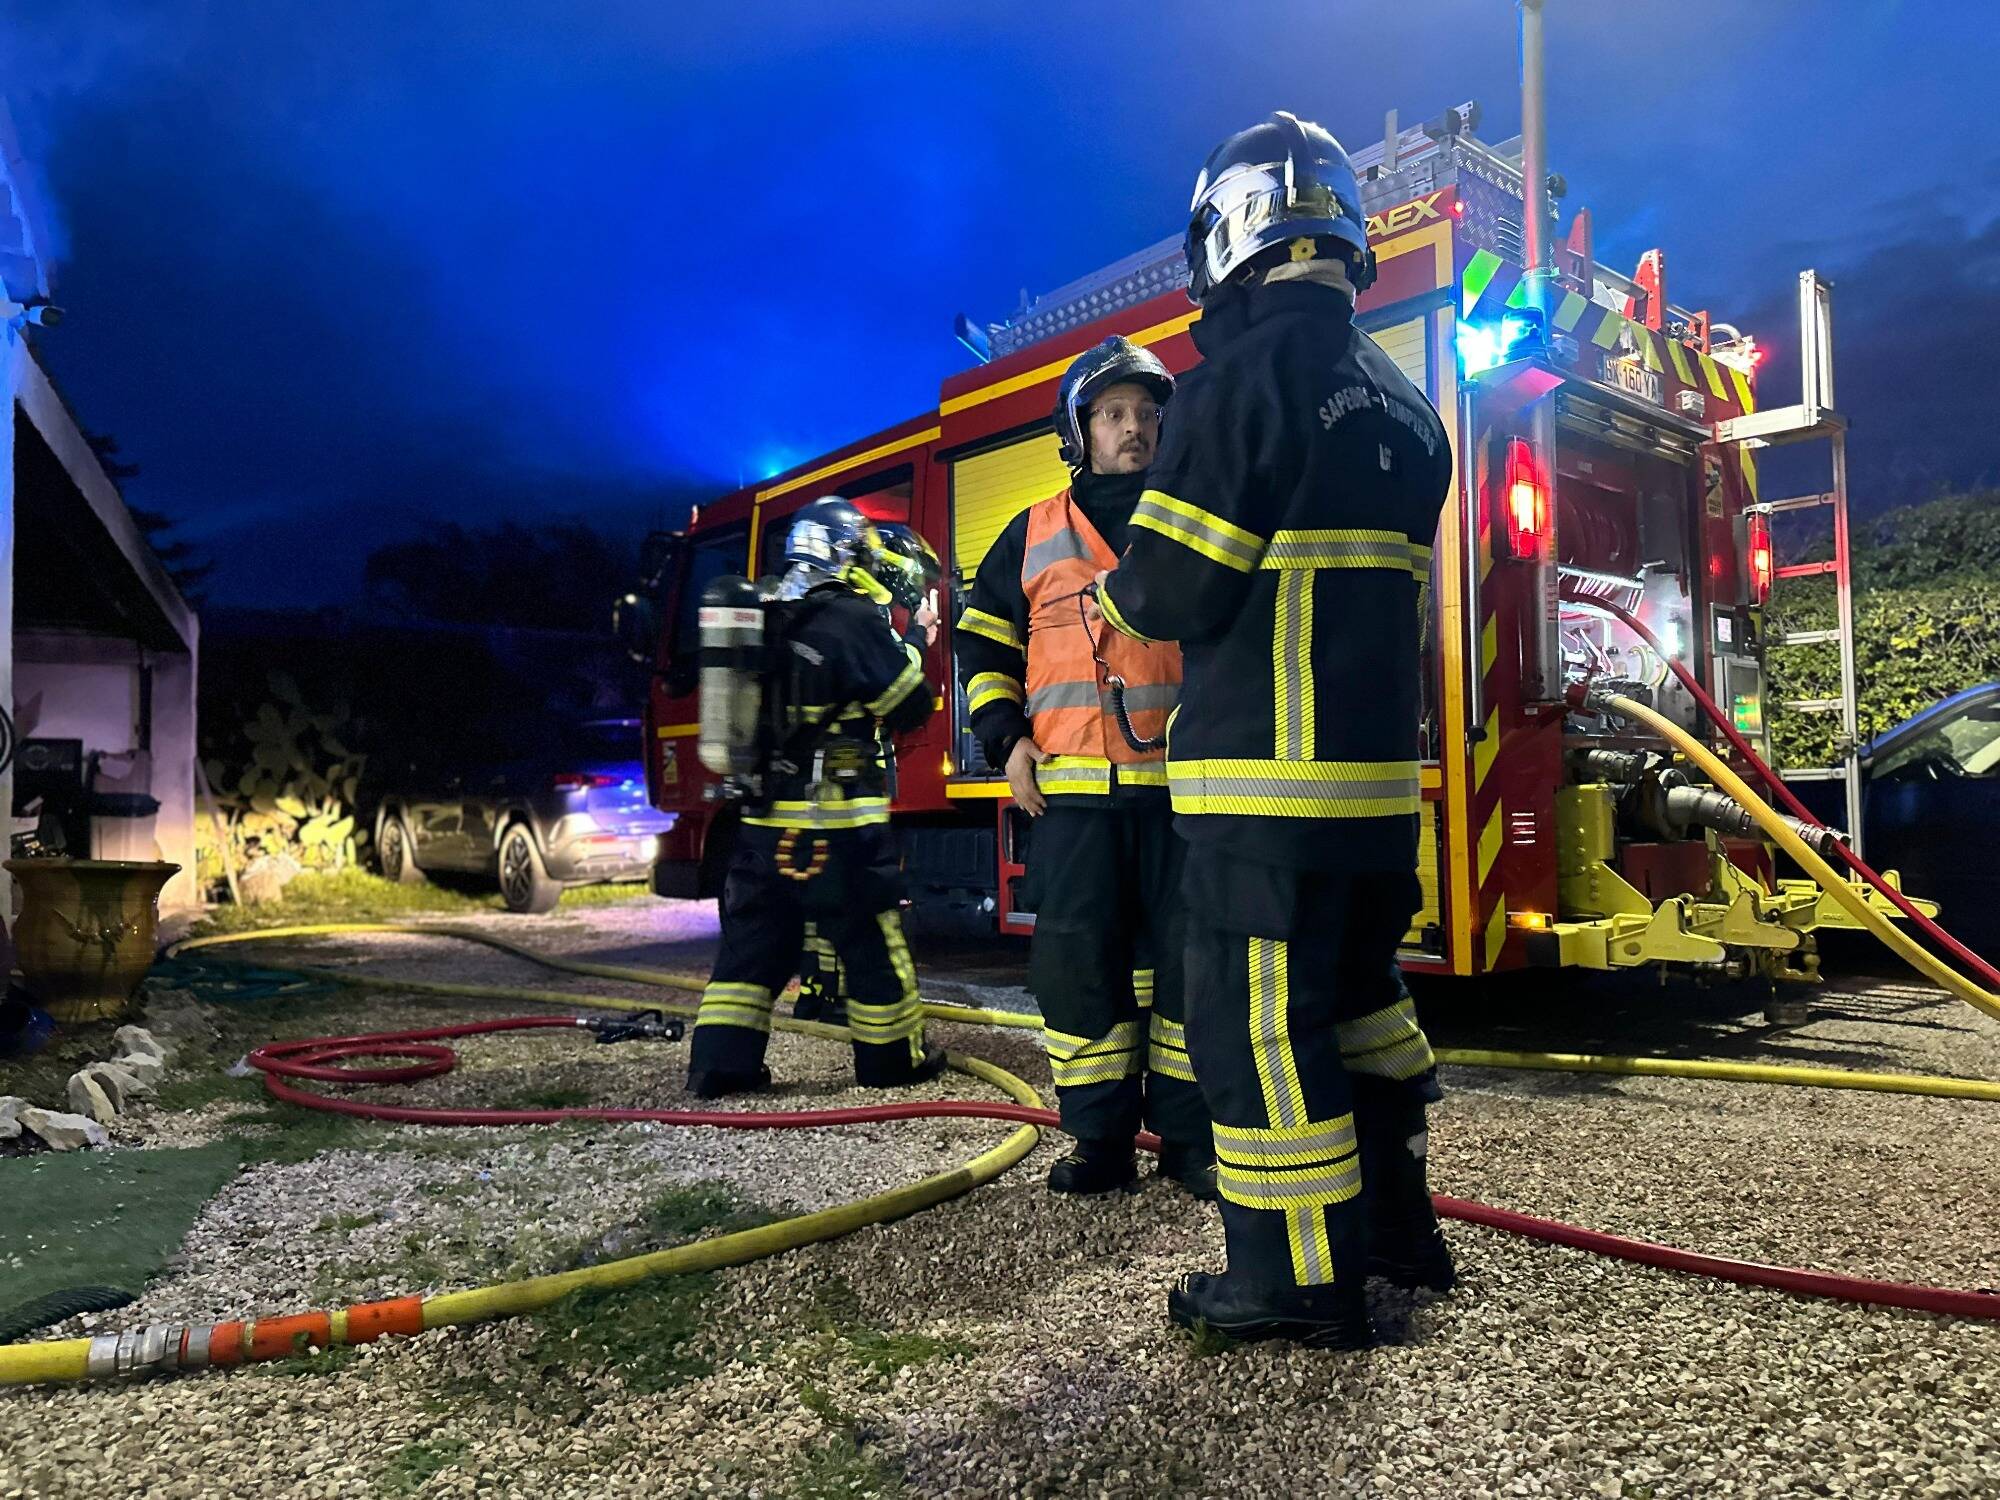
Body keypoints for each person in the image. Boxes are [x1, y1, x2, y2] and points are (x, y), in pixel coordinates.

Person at [1095, 112, 1455, 1346]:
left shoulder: (1236, 384)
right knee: (1361, 1005)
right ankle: (1402, 1229)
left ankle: (1297, 1278)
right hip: (1369, 794)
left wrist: (1111, 580)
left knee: (1255, 1035)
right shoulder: (1404, 403)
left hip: (1262, 794)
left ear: (1226, 237)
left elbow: (1174, 590)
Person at [956, 336, 1212, 1198]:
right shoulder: (1030, 532)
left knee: (1189, 969)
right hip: (1072, 803)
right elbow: (984, 641)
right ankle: (1099, 1141)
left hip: (1188, 800)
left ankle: (1188, 1140)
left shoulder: (1195, 519)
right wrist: (1005, 738)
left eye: (1147, 413)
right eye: (1112, 414)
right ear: (1080, 430)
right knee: (1079, 970)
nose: (1133, 429)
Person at [686, 499, 948, 1098]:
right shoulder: (854, 619)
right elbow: (908, 705)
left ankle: (720, 1067)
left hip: (761, 824)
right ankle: (892, 1061)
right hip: (838, 824)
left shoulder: (766, 613)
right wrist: (915, 645)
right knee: (872, 941)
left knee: (753, 947)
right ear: (847, 555)